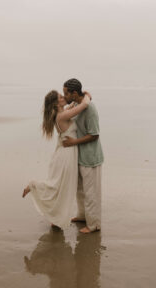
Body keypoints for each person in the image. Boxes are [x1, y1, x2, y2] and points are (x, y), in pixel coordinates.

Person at [22, 90, 91, 229]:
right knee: (59, 187)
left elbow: (72, 107)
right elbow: (83, 106)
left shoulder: (62, 113)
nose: (63, 97)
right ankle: (33, 185)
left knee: (61, 188)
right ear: (55, 103)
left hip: (65, 154)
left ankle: (55, 218)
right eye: (60, 97)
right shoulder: (62, 116)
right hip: (66, 157)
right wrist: (87, 96)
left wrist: (76, 97)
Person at [63, 78, 104, 234]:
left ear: (74, 93)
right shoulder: (78, 105)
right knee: (80, 190)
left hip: (91, 158)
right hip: (80, 156)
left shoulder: (90, 109)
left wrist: (74, 142)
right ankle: (82, 215)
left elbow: (94, 135)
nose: (64, 95)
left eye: (66, 93)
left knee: (91, 192)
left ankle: (94, 224)